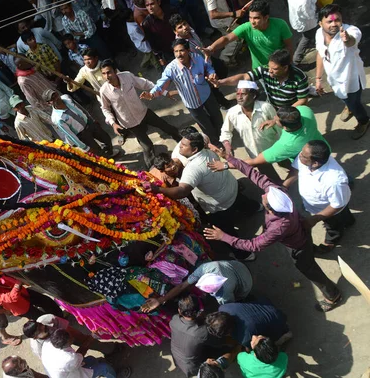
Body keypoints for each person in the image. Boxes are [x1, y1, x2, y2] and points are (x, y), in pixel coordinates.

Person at [203, 155, 342, 311]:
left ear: (270, 209)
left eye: (265, 197)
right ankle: (312, 250)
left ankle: (332, 295)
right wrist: (229, 161)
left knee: (309, 269)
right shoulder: (278, 192)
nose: (263, 194)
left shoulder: (278, 227)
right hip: (301, 229)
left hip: (297, 245)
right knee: (307, 248)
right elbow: (252, 173)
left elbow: (254, 245)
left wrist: (223, 237)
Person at [142, 130, 259, 261]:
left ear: (194, 149)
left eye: (183, 145)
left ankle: (243, 254)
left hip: (218, 203)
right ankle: (255, 208)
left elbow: (182, 191)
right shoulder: (202, 144)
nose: (179, 146)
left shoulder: (193, 168)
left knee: (224, 229)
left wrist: (157, 189)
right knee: (240, 200)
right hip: (231, 186)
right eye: (181, 143)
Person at [99, 59, 180, 168]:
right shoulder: (104, 91)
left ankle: (184, 142)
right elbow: (105, 109)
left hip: (143, 112)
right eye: (104, 73)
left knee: (167, 128)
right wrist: (113, 123)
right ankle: (152, 171)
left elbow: (146, 84)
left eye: (109, 72)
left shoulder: (127, 76)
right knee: (147, 147)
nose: (107, 76)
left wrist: (165, 93)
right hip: (129, 123)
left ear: (115, 71)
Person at [141, 38, 225, 145]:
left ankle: (223, 137)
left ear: (188, 51)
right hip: (191, 103)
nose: (179, 54)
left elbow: (208, 67)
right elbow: (161, 83)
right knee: (206, 127)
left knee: (217, 117)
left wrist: (211, 73)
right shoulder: (171, 68)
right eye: (176, 51)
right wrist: (151, 94)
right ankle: (216, 143)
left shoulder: (197, 58)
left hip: (207, 95)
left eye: (181, 51)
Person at [285, 140, 354, 252]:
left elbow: (337, 205)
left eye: (303, 156)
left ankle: (331, 241)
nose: (299, 156)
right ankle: (349, 221)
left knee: (333, 225)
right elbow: (295, 170)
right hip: (318, 205)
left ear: (315, 163)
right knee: (345, 216)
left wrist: (315, 218)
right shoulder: (306, 158)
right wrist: (284, 186)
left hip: (329, 211)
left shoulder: (334, 181)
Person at [315, 4, 369, 139]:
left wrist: (347, 39)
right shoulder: (318, 33)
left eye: (337, 20)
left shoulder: (351, 30)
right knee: (344, 99)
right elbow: (320, 54)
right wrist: (318, 79)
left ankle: (364, 121)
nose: (334, 24)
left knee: (355, 103)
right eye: (329, 21)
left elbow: (351, 41)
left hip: (351, 81)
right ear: (320, 23)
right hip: (334, 81)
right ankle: (349, 107)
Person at [219, 80, 281, 181]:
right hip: (255, 153)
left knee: (287, 165)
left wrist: (284, 144)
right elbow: (226, 131)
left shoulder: (265, 107)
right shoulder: (232, 112)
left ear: (253, 95)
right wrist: (227, 145)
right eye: (237, 94)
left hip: (274, 147)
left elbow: (279, 127)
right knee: (271, 177)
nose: (239, 97)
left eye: (243, 94)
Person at [203, 0, 293, 69]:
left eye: (256, 18)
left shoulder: (280, 25)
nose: (252, 22)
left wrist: (289, 65)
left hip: (279, 68)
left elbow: (289, 47)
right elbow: (227, 38)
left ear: (266, 17)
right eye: (250, 17)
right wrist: (211, 48)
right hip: (260, 70)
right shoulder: (246, 28)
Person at [170, 14, 232, 108]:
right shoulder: (181, 45)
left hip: (206, 58)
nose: (185, 27)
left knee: (222, 69)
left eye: (184, 24)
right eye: (180, 27)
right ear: (175, 32)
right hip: (200, 67)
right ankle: (223, 104)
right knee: (212, 87)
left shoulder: (191, 31)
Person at [141, 260, 252, 311]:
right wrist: (161, 299)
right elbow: (182, 286)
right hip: (238, 266)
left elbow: (230, 308)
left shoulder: (224, 292)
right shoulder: (204, 268)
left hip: (246, 283)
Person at [238, 105, 327, 168]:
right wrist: (275, 120)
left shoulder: (287, 144)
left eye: (276, 120)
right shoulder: (306, 112)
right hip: (324, 149)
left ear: (284, 127)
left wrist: (227, 164)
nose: (273, 117)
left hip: (309, 164)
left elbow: (255, 161)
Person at [216, 49, 310, 108]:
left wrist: (286, 113)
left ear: (285, 68)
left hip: (292, 109)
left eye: (274, 69)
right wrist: (221, 82)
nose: (270, 71)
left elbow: (302, 100)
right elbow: (244, 77)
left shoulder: (299, 77)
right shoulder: (264, 69)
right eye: (269, 67)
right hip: (272, 107)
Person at [0, 275, 64, 346]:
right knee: (42, 319)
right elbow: (11, 298)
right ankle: (58, 334)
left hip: (25, 293)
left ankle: (61, 318)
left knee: (47, 301)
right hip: (21, 307)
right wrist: (18, 282)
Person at [44, 88, 116, 158]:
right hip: (82, 135)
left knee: (106, 138)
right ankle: (108, 160)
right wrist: (84, 147)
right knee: (97, 152)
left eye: (55, 95)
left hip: (90, 123)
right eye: (52, 99)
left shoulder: (66, 98)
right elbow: (70, 135)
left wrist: (92, 119)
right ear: (48, 103)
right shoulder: (57, 118)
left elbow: (80, 108)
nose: (56, 98)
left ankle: (109, 152)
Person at [168, 295, 227, 376]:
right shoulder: (202, 332)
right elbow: (218, 342)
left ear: (179, 311)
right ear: (199, 311)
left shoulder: (174, 320)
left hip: (177, 357)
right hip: (192, 366)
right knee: (221, 347)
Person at [40, 328, 130, 378]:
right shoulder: (69, 358)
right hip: (73, 376)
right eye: (71, 338)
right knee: (104, 368)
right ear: (65, 344)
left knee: (91, 359)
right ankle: (115, 375)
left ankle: (109, 368)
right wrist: (91, 337)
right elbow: (81, 353)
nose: (73, 337)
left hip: (66, 369)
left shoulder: (49, 342)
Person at [206, 299, 291, 348]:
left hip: (279, 321)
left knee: (271, 344)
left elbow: (254, 346)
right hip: (267, 306)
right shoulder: (223, 307)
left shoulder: (244, 337)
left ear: (229, 330)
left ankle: (286, 334)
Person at [199, 0, 245, 65]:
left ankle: (230, 57)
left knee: (227, 38)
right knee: (238, 37)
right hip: (223, 22)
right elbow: (213, 14)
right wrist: (234, 13)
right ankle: (224, 60)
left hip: (223, 21)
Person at [288, 0, 319, 66]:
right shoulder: (303, 1)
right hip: (306, 23)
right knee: (306, 38)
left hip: (297, 18)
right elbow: (310, 14)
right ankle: (296, 60)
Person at [141, 0, 177, 66]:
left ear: (159, 2)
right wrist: (160, 58)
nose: (150, 8)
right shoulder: (147, 24)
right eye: (147, 5)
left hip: (183, 43)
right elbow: (153, 43)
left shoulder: (170, 11)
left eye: (152, 4)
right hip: (169, 53)